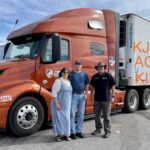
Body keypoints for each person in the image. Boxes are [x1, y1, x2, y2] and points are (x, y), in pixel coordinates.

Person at [90, 62, 115, 138]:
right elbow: (92, 87)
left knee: (106, 116)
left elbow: (113, 87)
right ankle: (98, 129)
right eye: (99, 67)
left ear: (104, 68)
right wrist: (91, 96)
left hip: (106, 100)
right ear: (97, 68)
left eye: (102, 67)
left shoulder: (108, 76)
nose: (100, 68)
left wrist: (113, 96)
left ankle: (107, 131)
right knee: (97, 115)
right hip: (97, 99)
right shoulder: (95, 77)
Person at [51, 68, 72, 142]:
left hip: (67, 105)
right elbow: (53, 92)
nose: (66, 73)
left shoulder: (68, 81)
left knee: (66, 119)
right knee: (58, 119)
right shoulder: (58, 81)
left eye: (67, 72)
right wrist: (56, 103)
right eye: (64, 72)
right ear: (61, 73)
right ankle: (58, 135)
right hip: (59, 104)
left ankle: (66, 134)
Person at [70, 60, 89, 139]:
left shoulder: (84, 74)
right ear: (74, 66)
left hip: (82, 96)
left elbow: (87, 84)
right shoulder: (70, 74)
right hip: (73, 95)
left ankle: (78, 131)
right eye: (76, 65)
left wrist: (86, 93)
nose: (78, 66)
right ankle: (72, 132)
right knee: (72, 114)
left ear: (81, 66)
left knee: (81, 114)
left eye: (79, 65)